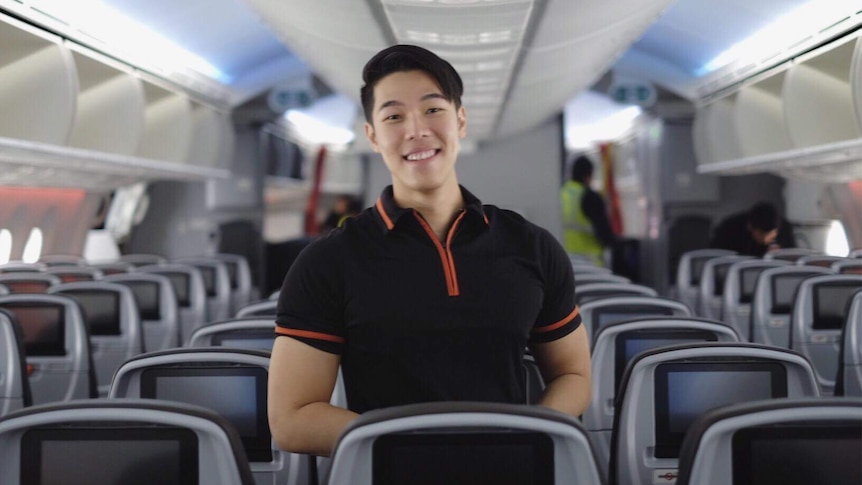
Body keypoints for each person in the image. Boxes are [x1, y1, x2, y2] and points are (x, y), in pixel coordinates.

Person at [268, 44, 591, 457]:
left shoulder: (531, 246)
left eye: (433, 110)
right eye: (393, 117)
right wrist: (424, 451)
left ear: (460, 119)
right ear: (372, 136)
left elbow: (574, 374)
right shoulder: (329, 262)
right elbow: (291, 419)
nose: (416, 130)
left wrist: (527, 436)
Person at [559, 155, 617, 266]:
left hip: (566, 263)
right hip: (591, 265)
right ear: (588, 175)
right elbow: (605, 235)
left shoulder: (561, 194)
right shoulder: (590, 196)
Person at [709, 201, 795, 257]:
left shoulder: (784, 228)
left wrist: (782, 254)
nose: (766, 239)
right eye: (762, 234)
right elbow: (716, 255)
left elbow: (792, 254)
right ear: (750, 227)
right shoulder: (729, 229)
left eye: (770, 234)